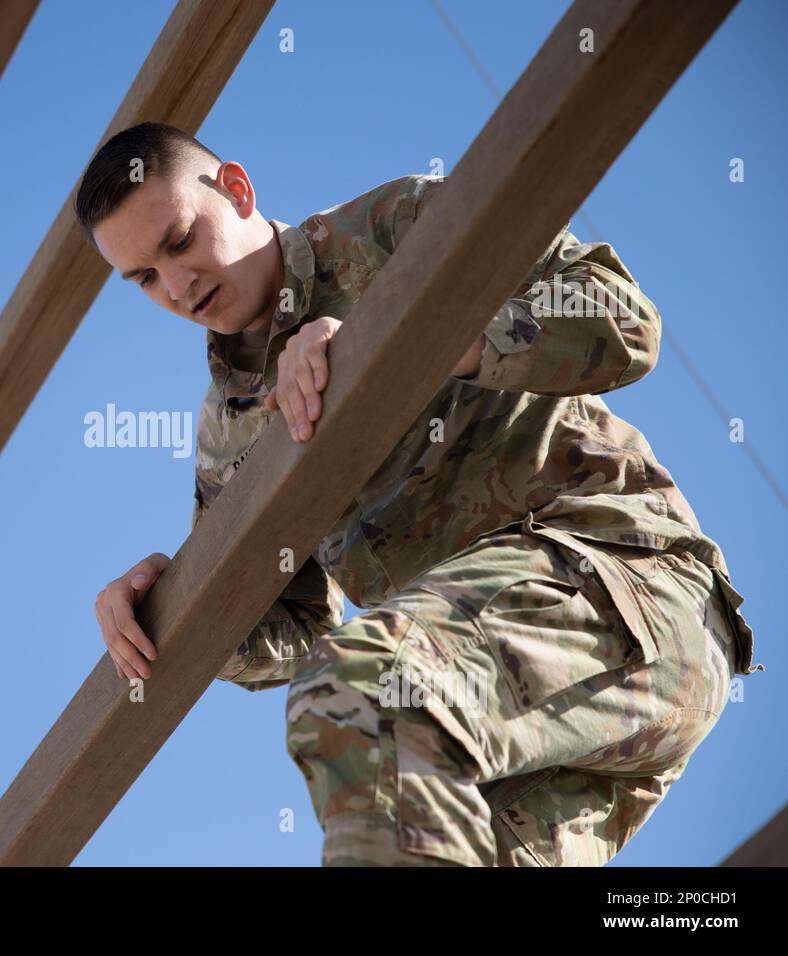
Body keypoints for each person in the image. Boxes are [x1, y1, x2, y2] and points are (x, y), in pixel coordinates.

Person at [77, 121, 759, 866]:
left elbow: (623, 322)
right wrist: (162, 614)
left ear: (236, 190)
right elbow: (293, 627)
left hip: (624, 591)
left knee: (363, 688)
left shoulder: (396, 226)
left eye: (179, 241)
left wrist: (395, 340)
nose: (177, 286)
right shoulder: (228, 432)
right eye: (143, 279)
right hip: (516, 734)